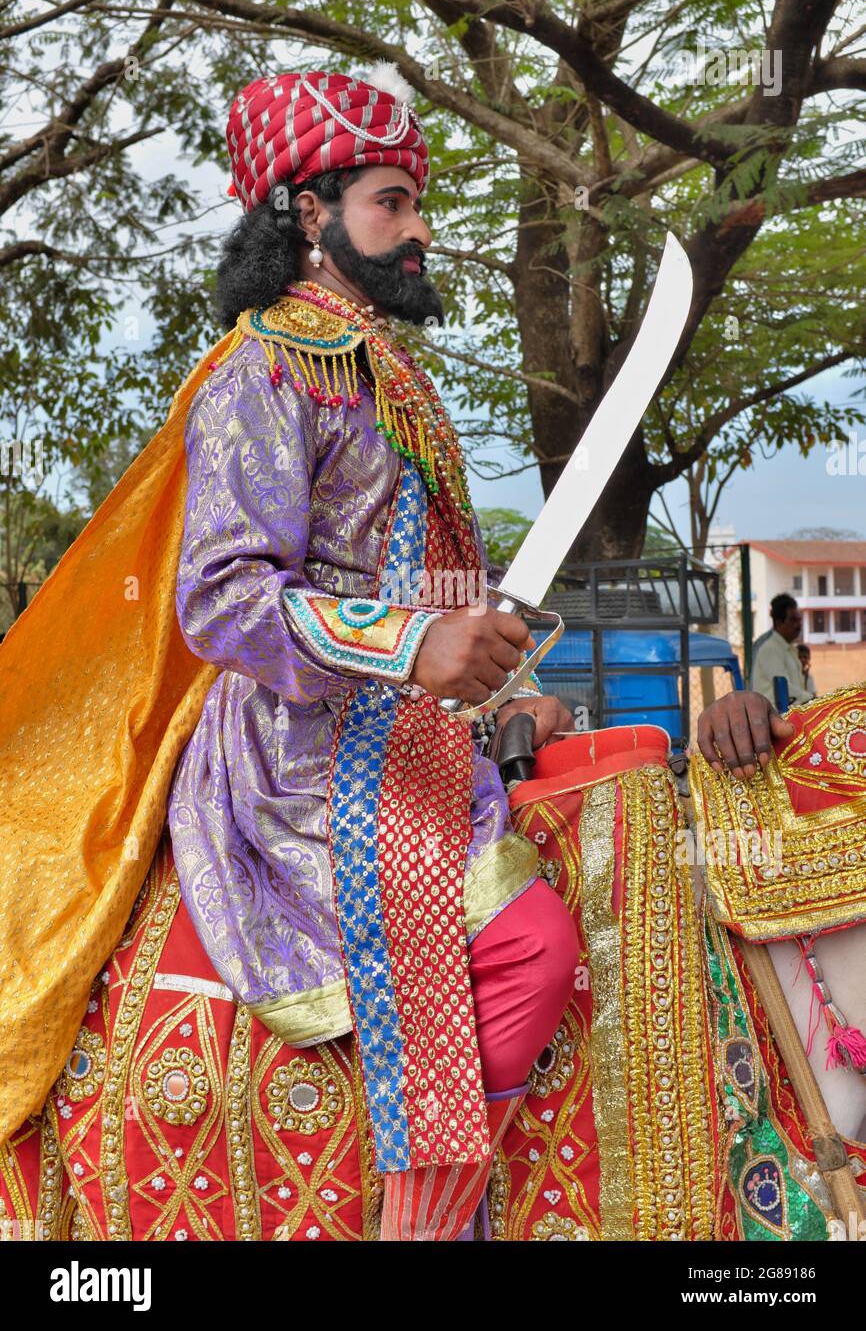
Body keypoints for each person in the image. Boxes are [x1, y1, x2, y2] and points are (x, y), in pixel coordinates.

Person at [0, 63, 788, 1242]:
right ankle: (424, 1223)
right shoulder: (262, 367)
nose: (417, 230)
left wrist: (499, 677)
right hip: (301, 758)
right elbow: (221, 601)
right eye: (389, 203)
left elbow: (434, 579)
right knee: (529, 939)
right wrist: (417, 644)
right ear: (307, 216)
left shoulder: (387, 372)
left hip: (419, 732)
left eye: (415, 202)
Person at [749, 592, 811, 712]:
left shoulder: (789, 649)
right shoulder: (769, 648)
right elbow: (784, 689)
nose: (799, 625)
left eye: (800, 620)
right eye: (793, 620)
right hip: (773, 719)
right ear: (778, 623)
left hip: (789, 714)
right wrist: (812, 700)